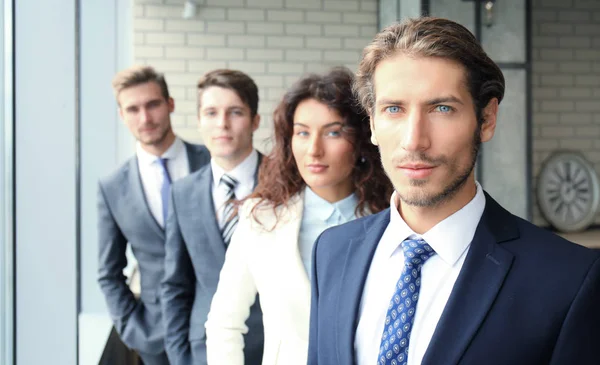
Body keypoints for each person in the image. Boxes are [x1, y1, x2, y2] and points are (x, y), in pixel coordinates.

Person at [307, 17, 600, 365]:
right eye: (394, 109)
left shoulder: (569, 278)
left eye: (442, 108)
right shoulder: (331, 251)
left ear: (486, 119)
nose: (414, 140)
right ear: (372, 122)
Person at [204, 67, 392, 365]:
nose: (314, 150)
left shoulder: (391, 219)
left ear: (360, 142)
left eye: (333, 132)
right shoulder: (261, 218)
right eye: (303, 132)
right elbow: (224, 323)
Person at [97, 65, 210, 365]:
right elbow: (109, 271)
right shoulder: (112, 187)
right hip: (154, 338)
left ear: (170, 104)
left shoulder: (212, 161)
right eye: (133, 109)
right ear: (122, 115)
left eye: (152, 104)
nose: (144, 118)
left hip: (219, 327)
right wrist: (133, 329)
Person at [160, 69, 265, 365]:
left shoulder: (285, 183)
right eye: (211, 112)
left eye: (235, 112)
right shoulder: (182, 193)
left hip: (274, 347)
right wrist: (179, 356)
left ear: (255, 120)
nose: (222, 124)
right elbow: (175, 284)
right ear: (198, 121)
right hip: (203, 350)